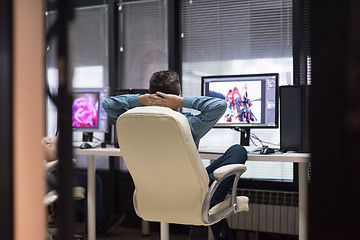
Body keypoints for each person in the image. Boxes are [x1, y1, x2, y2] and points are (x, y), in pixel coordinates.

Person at [102, 70, 247, 240]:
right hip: (189, 193)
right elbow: (219, 105)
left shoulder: (132, 121)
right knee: (238, 150)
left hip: (155, 194)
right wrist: (181, 101)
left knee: (210, 169)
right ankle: (211, 204)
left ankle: (204, 216)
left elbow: (107, 104)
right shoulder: (186, 123)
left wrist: (141, 100)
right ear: (177, 95)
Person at [41, 136, 125, 236]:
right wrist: (54, 142)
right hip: (46, 183)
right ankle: (97, 224)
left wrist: (44, 140)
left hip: (38, 181)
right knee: (93, 181)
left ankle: (98, 221)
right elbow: (52, 155)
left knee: (79, 186)